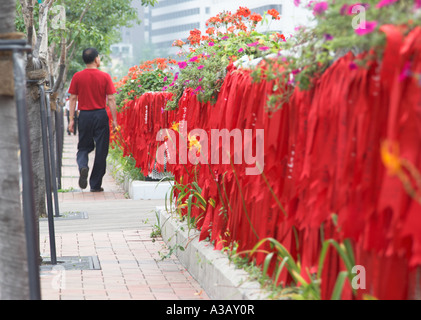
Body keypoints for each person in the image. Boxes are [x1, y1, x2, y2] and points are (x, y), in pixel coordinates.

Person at [68, 48, 118, 192]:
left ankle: (83, 166)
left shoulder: (77, 76)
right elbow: (111, 98)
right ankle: (95, 185)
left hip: (84, 116)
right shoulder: (105, 76)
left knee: (83, 147)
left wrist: (71, 120)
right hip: (100, 115)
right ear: (96, 59)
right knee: (101, 150)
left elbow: (72, 98)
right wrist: (114, 120)